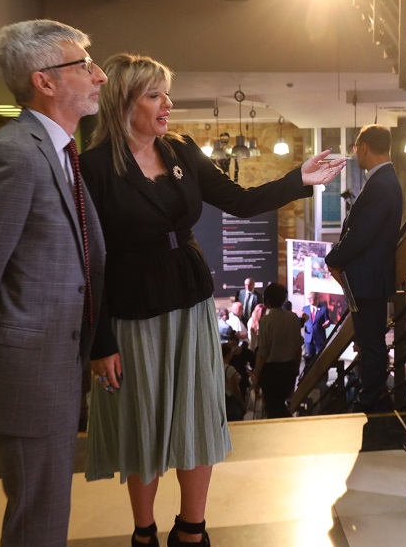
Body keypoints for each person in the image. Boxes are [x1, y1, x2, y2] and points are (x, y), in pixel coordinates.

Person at [78, 53, 344, 547]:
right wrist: (101, 342)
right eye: (154, 95)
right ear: (123, 103)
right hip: (133, 310)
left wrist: (299, 180)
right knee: (142, 422)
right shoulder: (92, 168)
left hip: (191, 299)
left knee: (196, 415)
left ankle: (192, 529)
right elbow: (90, 262)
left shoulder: (179, 149)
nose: (168, 104)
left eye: (167, 93)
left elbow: (239, 201)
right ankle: (143, 532)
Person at [0, 19, 107, 546]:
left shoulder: (56, 150)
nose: (99, 75)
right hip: (25, 371)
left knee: (45, 508)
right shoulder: (13, 154)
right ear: (44, 81)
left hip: (53, 363)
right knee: (39, 517)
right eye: (84, 65)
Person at [325, 124, 403, 413]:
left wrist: (331, 258)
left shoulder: (381, 184)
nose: (355, 152)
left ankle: (370, 401)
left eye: (356, 147)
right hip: (369, 279)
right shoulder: (383, 180)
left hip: (369, 280)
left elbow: (361, 234)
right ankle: (372, 397)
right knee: (370, 342)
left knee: (370, 344)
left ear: (364, 147)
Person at [251, 282, 304, 419]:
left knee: (272, 408)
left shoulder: (266, 321)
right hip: (289, 368)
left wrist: (256, 375)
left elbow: (263, 352)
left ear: (267, 301)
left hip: (271, 371)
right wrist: (296, 368)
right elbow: (298, 348)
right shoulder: (293, 318)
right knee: (281, 405)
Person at [301, 291, 330, 365]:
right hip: (309, 339)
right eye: (308, 298)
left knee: (322, 358)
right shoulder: (305, 309)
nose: (309, 300)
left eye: (311, 298)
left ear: (317, 298)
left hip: (320, 339)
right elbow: (302, 321)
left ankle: (322, 372)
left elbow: (327, 321)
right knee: (310, 360)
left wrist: (327, 324)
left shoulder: (324, 309)